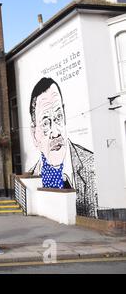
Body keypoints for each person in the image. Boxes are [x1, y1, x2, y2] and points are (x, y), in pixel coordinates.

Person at [28, 77, 98, 217]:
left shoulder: (92, 166)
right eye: (46, 123)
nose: (56, 132)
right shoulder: (31, 176)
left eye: (59, 117)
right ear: (34, 134)